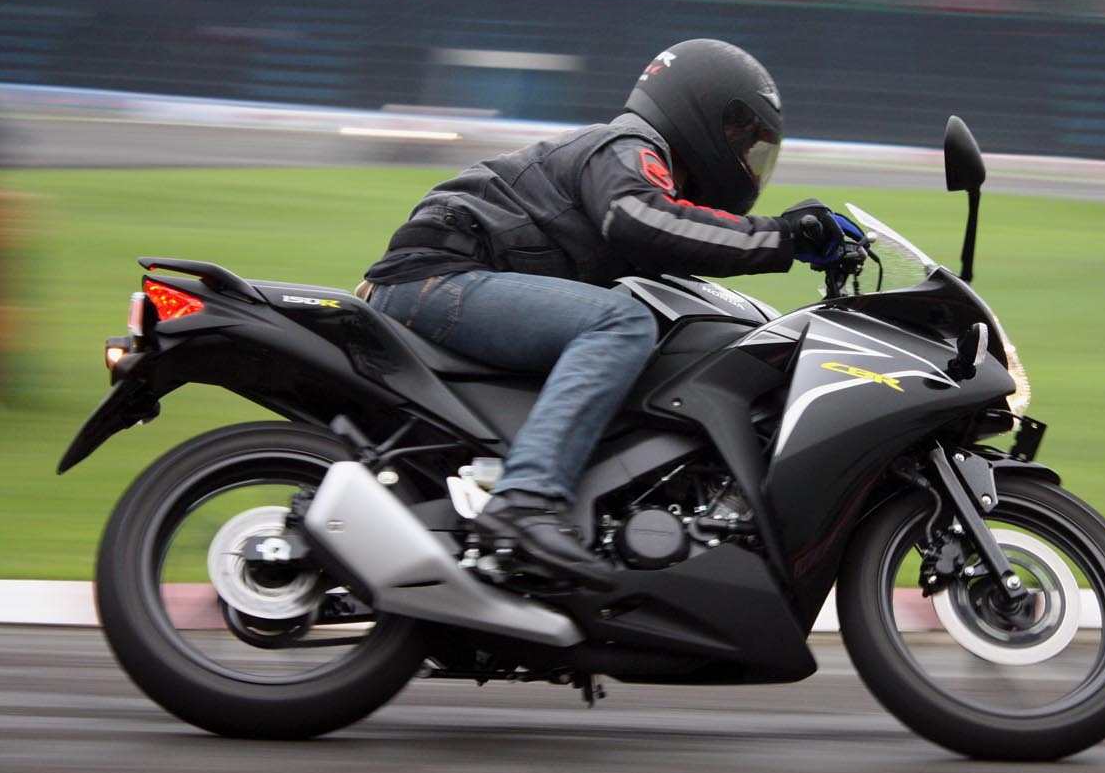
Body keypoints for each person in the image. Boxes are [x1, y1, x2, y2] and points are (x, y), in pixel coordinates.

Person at [363, 38, 852, 586]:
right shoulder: (628, 145)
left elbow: (672, 236)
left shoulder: (646, 169)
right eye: (741, 138)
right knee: (620, 323)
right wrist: (785, 237)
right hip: (438, 278)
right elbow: (643, 221)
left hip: (455, 283)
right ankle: (525, 502)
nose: (746, 157)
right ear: (699, 110)